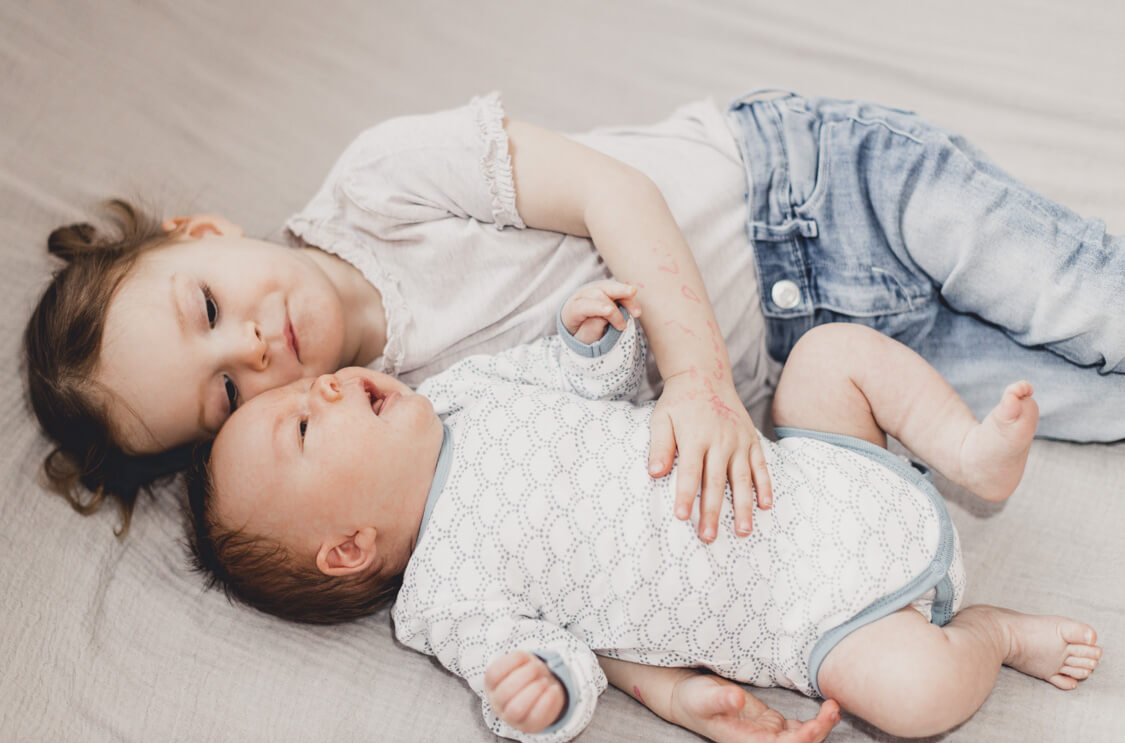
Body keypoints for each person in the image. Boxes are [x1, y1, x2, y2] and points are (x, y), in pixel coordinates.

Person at [23, 90, 1125, 544]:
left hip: (816, 188)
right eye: (225, 391)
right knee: (1078, 404)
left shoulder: (381, 183)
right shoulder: (405, 430)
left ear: (204, 235)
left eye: (207, 307)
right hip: (832, 364)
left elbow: (616, 194)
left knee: (1093, 304)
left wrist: (694, 381)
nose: (251, 345)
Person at [184, 280, 1100, 743]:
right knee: (915, 699)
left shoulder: (464, 391)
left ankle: (961, 448)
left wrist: (591, 339)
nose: (331, 384)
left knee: (826, 357)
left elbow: (590, 382)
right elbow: (550, 666)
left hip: (810, 469)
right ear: (348, 547)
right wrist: (534, 695)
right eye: (305, 423)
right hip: (816, 620)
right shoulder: (442, 598)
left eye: (313, 387)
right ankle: (993, 636)